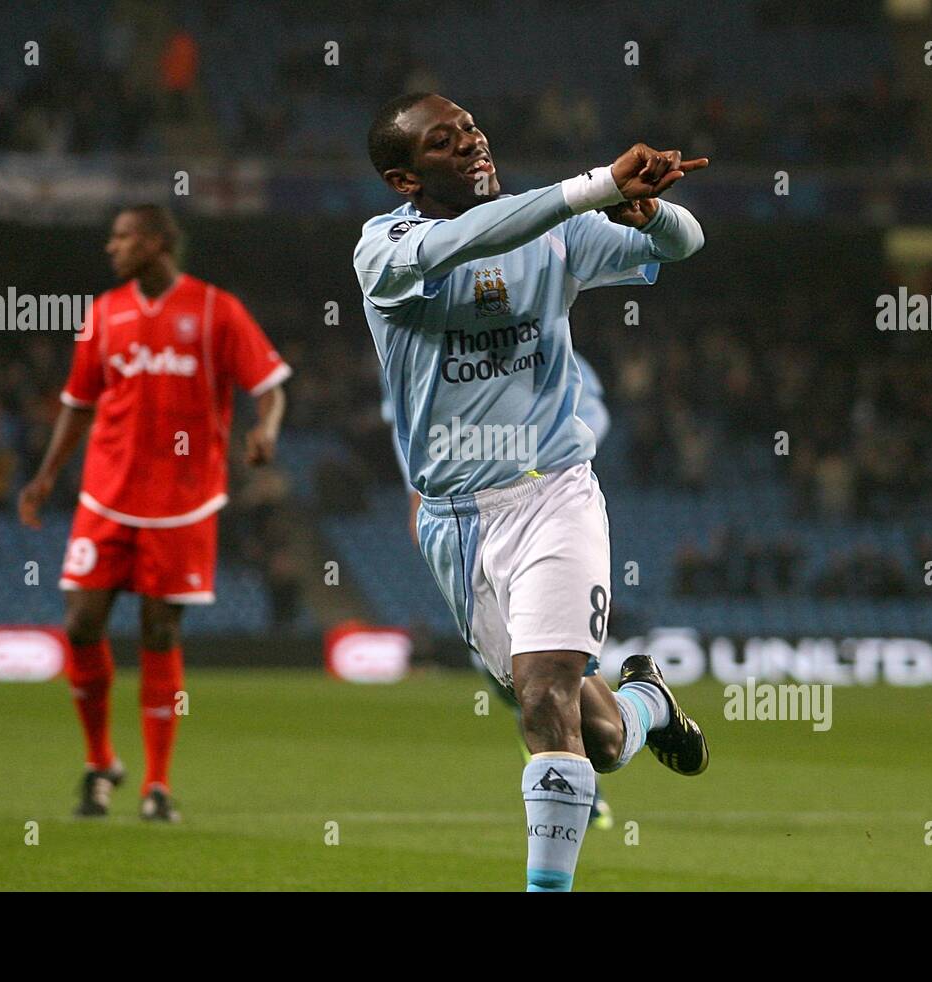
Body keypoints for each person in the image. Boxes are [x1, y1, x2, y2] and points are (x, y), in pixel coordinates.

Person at [354, 93, 709, 891]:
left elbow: (687, 243)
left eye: (473, 127)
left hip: (552, 493)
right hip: (455, 522)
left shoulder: (553, 227)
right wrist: (593, 187)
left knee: (545, 695)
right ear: (404, 179)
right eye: (445, 144)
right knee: (602, 739)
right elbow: (478, 236)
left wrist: (649, 214)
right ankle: (648, 702)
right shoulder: (384, 251)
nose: (473, 144)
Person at [19, 205, 291, 822]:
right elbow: (78, 403)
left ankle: (157, 785)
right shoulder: (104, 313)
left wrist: (266, 429)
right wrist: (44, 477)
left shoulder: (216, 309)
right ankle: (100, 761)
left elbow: (269, 385)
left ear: (157, 242)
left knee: (158, 632)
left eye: (122, 237)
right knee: (82, 622)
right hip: (106, 495)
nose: (110, 248)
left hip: (183, 501)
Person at [382, 350, 617, 832]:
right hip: (458, 519)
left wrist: (541, 457)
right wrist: (418, 497)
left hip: (543, 506)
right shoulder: (419, 337)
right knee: (536, 692)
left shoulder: (544, 334)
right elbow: (409, 424)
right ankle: (638, 711)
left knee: (551, 688)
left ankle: (567, 769)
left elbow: (592, 416)